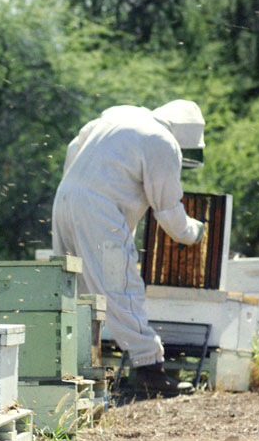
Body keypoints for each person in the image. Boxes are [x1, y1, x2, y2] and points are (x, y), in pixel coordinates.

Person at [51, 100, 206, 394]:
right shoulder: (162, 141)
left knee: (75, 288)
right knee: (120, 285)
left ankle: (79, 366)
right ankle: (150, 369)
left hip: (65, 199)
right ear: (185, 138)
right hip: (99, 212)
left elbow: (75, 146)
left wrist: (81, 190)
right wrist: (194, 233)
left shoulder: (121, 114)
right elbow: (168, 210)